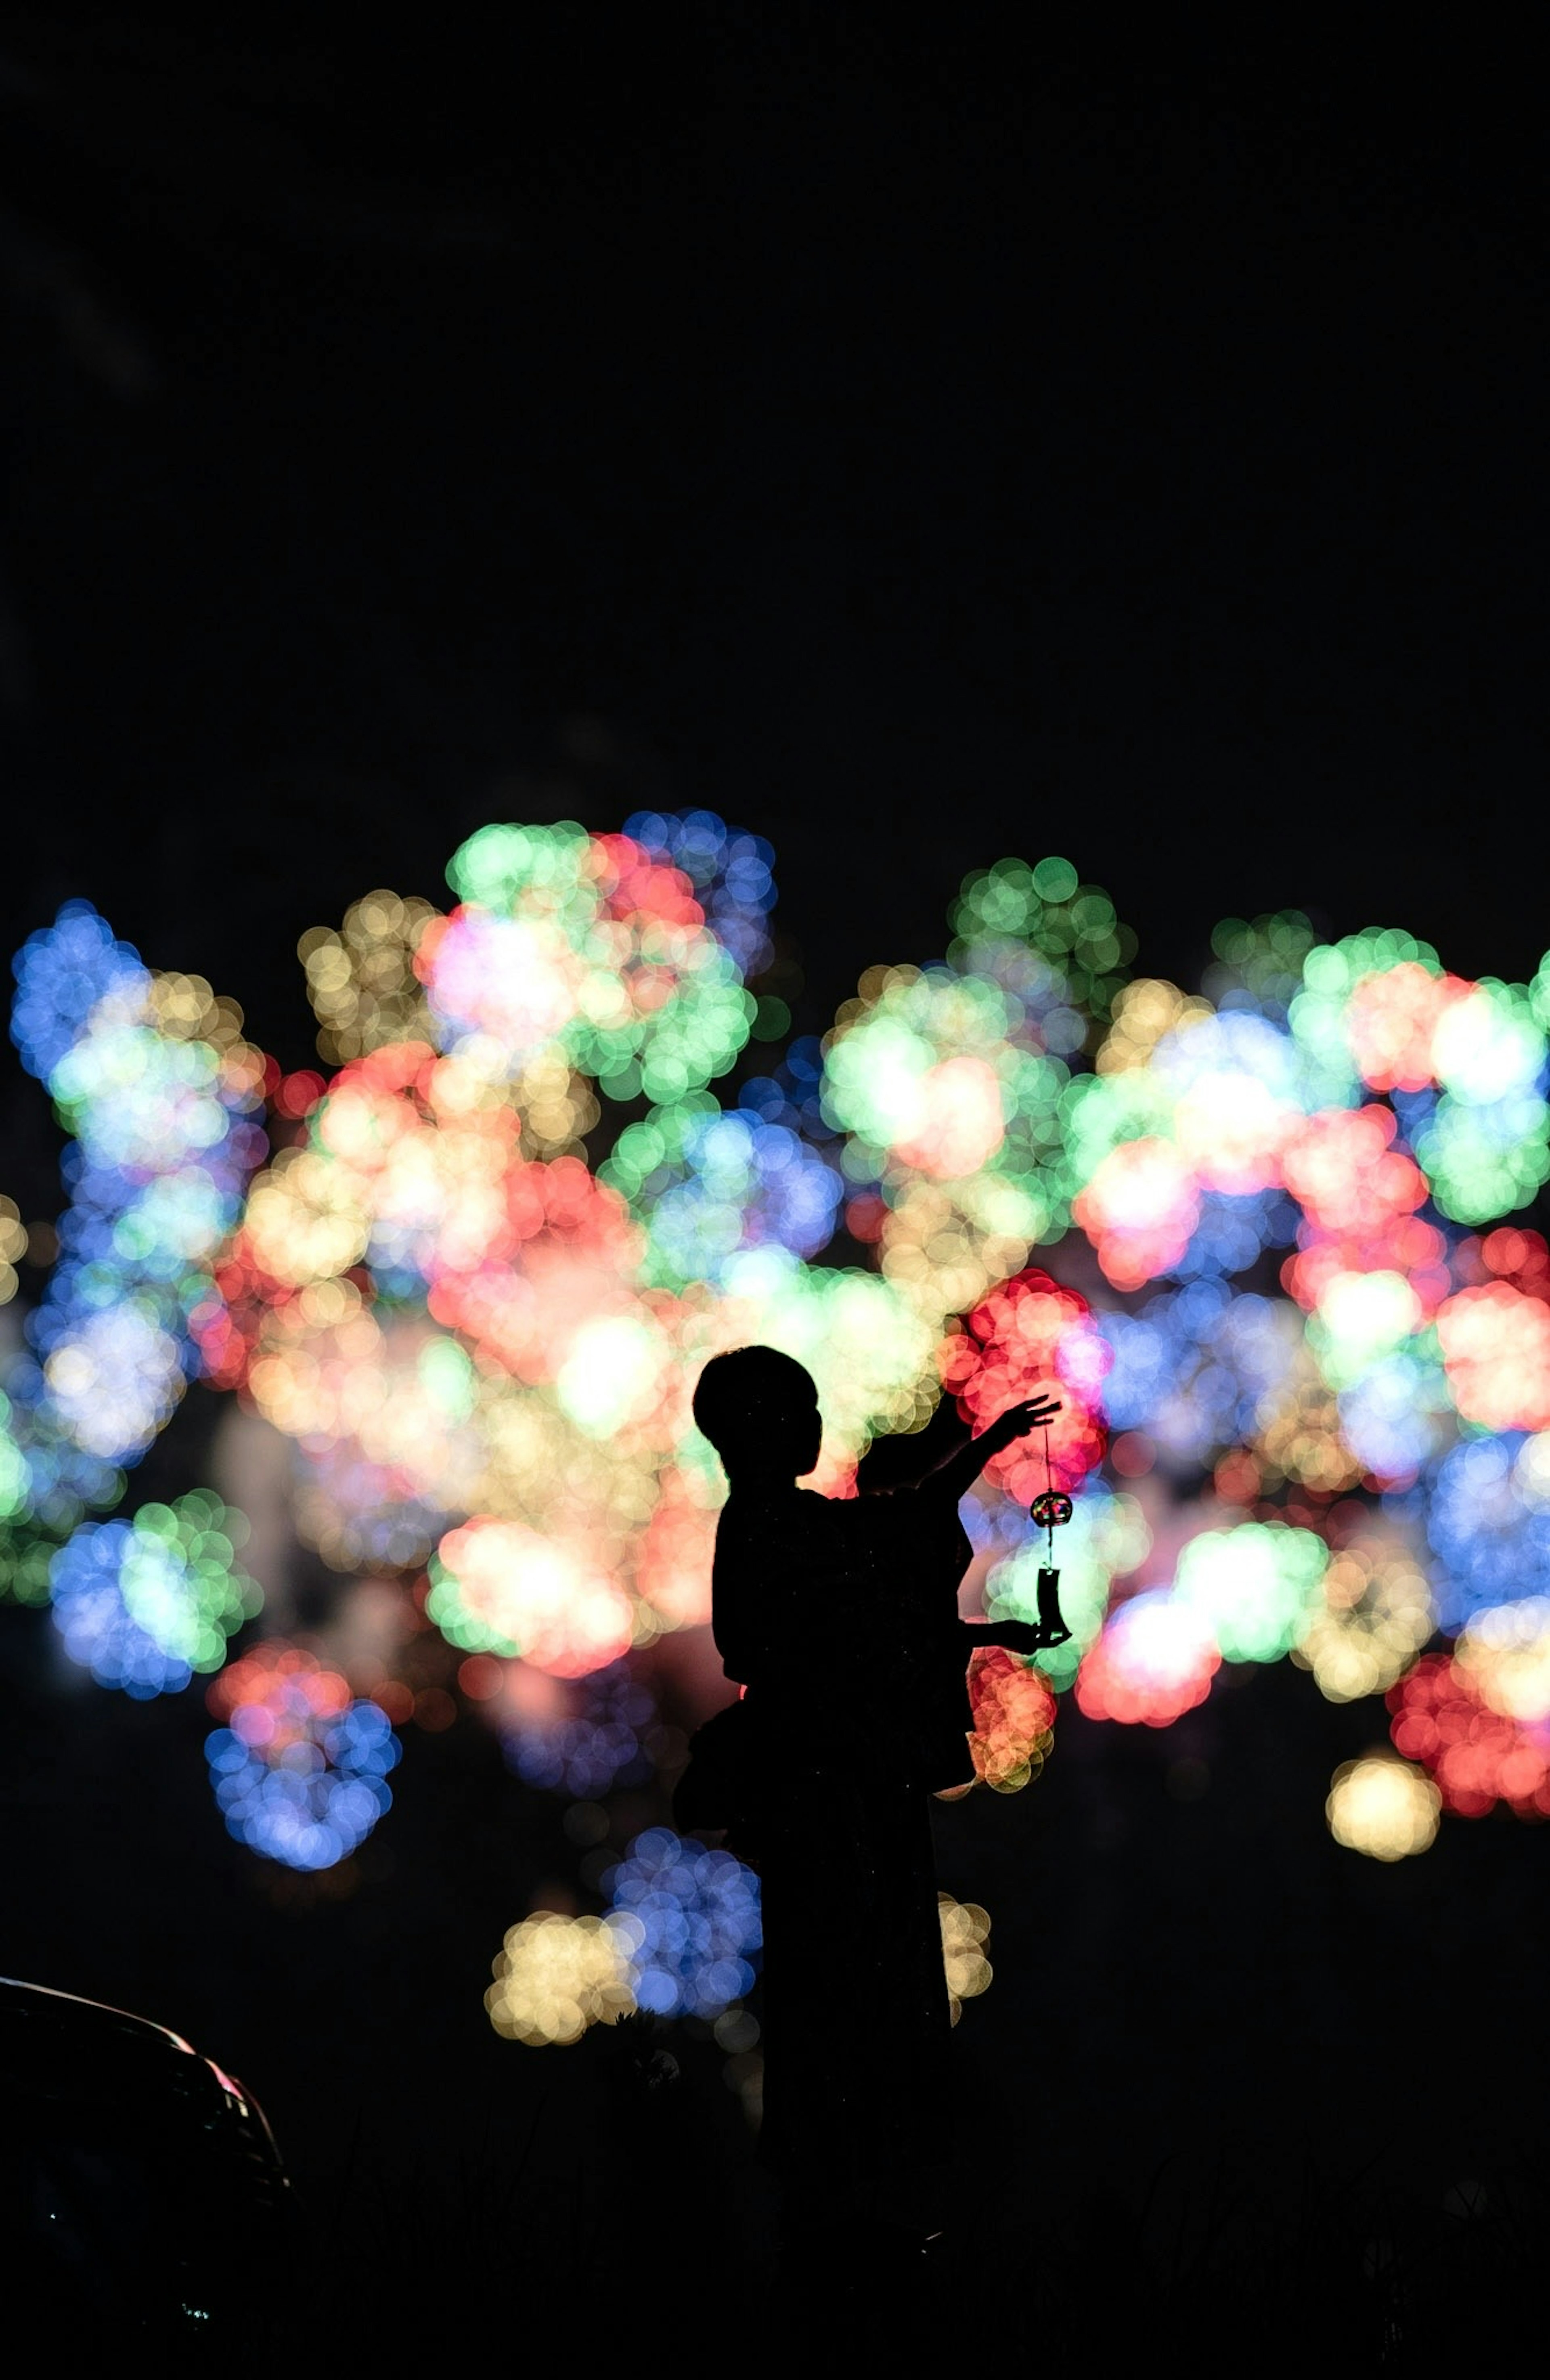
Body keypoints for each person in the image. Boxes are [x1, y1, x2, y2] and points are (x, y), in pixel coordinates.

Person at [688, 1344, 1061, 2251]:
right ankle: (859, 2194)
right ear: (766, 1430)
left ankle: (860, 2180)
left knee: (859, 1989)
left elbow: (895, 1542)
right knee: (853, 1990)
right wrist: (984, 1448)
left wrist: (991, 1448)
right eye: (801, 1409)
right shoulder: (775, 1526)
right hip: (832, 1791)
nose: (817, 1426)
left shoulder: (780, 1523)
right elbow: (890, 1556)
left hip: (838, 1785)